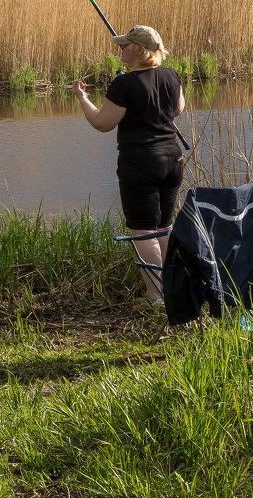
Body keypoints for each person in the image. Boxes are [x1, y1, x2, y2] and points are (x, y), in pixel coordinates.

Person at [71, 25, 186, 303]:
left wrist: (82, 97)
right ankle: (174, 290)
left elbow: (102, 123)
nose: (120, 48)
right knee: (164, 226)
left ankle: (156, 296)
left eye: (125, 45)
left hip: (140, 164)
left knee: (143, 230)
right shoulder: (171, 76)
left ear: (137, 51)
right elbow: (178, 108)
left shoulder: (124, 85)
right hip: (172, 160)